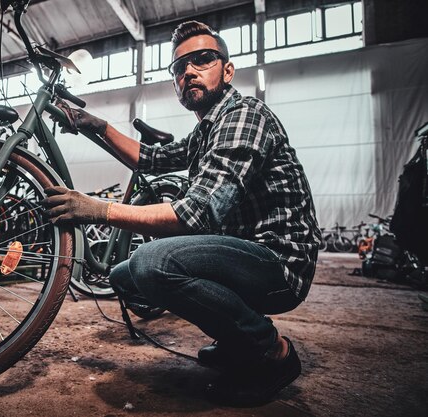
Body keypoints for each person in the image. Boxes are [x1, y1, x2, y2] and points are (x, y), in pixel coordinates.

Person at [41, 20, 320, 404]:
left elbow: (198, 215)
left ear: (227, 70)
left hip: (279, 264)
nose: (188, 70)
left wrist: (97, 209)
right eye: (178, 67)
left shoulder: (243, 115)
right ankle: (234, 338)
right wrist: (96, 125)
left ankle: (270, 350)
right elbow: (152, 158)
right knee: (124, 277)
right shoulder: (207, 129)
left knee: (150, 263)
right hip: (241, 254)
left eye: (203, 60)